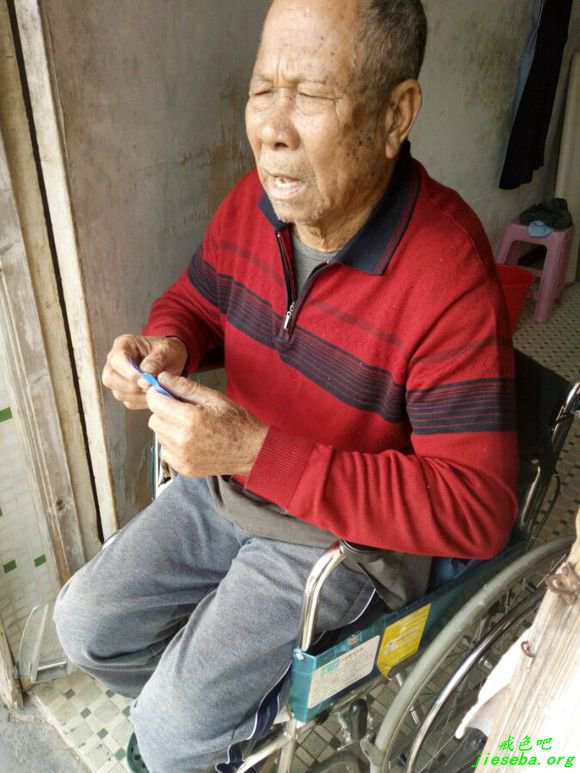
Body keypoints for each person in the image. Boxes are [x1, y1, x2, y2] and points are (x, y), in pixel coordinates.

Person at [54, 0, 518, 770]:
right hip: (229, 485)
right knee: (85, 624)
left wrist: (254, 450)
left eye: (311, 95)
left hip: (337, 540)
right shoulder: (257, 204)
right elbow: (199, 299)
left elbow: (478, 511)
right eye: (262, 89)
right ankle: (213, 716)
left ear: (395, 114)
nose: (272, 128)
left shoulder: (448, 275)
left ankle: (211, 730)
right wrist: (168, 344)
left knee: (169, 730)